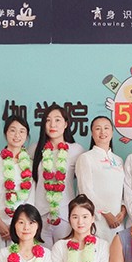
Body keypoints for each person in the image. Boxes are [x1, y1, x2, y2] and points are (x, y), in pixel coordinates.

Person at [29, 104, 85, 248]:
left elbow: (86, 177)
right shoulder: (35, 149)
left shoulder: (76, 150)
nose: (52, 124)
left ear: (66, 124)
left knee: (65, 255)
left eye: (57, 120)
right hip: (40, 214)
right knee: (42, 257)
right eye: (48, 120)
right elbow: (16, 163)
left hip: (65, 213)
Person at [0, 115, 34, 248]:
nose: (17, 135)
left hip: (20, 226)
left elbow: (30, 199)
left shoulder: (30, 163)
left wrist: (18, 224)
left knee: (15, 260)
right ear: (5, 133)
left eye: (22, 131)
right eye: (12, 130)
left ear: (27, 136)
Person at [76, 116, 126, 243]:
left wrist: (123, 210)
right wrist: (106, 213)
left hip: (117, 220)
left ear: (112, 133)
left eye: (106, 128)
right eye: (98, 129)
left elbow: (123, 190)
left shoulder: (118, 160)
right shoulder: (85, 158)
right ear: (92, 133)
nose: (102, 132)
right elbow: (85, 190)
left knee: (117, 252)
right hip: (97, 219)